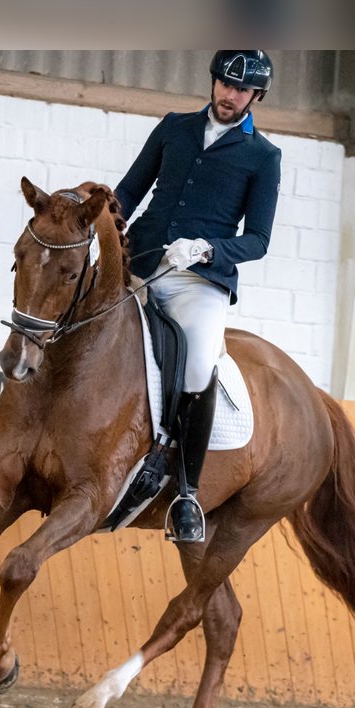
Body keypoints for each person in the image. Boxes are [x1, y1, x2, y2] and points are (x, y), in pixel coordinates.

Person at [114, 50, 282, 543]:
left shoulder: (263, 157)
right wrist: (96, 215)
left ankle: (186, 492)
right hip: (140, 261)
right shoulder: (174, 127)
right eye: (224, 85)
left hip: (199, 281)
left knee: (198, 365)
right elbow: (129, 190)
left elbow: (259, 240)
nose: (230, 96)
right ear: (213, 82)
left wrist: (209, 249)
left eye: (241, 90)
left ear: (256, 97)